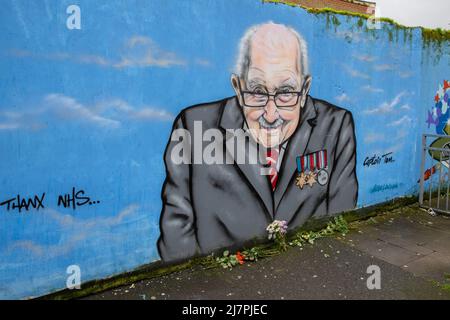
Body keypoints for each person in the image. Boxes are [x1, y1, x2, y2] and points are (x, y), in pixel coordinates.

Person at [158, 22, 358, 262]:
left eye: (286, 92)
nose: (271, 114)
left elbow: (341, 215)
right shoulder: (192, 127)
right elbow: (177, 236)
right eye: (257, 91)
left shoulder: (336, 126)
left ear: (304, 90)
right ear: (238, 87)